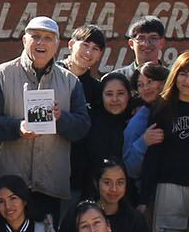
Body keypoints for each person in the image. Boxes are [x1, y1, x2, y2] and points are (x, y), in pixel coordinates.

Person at [0, 15, 92, 221]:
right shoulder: (1, 74)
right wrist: (18, 128)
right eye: (35, 36)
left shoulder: (70, 81)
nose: (41, 42)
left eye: (48, 38)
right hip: (9, 185)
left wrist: (61, 119)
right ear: (24, 40)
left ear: (57, 45)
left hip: (49, 185)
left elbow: (82, 127)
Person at [140, 52, 189, 232]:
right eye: (183, 74)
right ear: (175, 75)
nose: (188, 81)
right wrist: (144, 198)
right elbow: (153, 155)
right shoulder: (162, 107)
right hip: (169, 186)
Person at [60, 158, 151, 232]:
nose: (114, 189)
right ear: (96, 183)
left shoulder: (135, 220)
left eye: (120, 183)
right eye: (107, 182)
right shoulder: (78, 214)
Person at [75, 71, 137, 199]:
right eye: (109, 94)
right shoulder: (91, 124)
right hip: (93, 195)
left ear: (128, 95)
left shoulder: (135, 121)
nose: (115, 99)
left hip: (130, 196)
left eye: (120, 93)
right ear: (101, 96)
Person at [119, 61, 169, 179]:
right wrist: (143, 142)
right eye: (140, 85)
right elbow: (129, 168)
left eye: (150, 82)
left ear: (164, 82)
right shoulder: (138, 121)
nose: (145, 88)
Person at [62, 24, 108, 117]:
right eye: (85, 45)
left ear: (100, 55)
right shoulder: (50, 74)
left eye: (95, 48)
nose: (88, 53)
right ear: (71, 44)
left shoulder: (96, 89)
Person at [115, 15, 168, 81]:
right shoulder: (117, 79)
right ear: (131, 43)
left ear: (162, 43)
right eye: (141, 38)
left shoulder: (171, 78)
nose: (147, 44)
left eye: (153, 38)